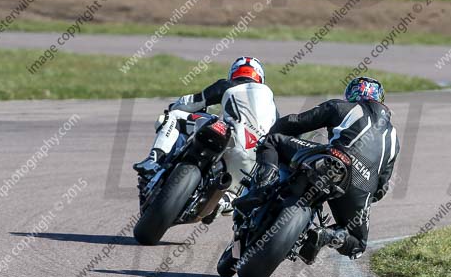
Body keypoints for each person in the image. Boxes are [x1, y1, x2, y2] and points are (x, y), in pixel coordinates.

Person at [237, 76, 399, 263]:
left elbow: (296, 121)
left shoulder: (341, 107)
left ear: (352, 94)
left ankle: (261, 187)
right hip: (361, 188)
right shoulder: (394, 139)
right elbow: (381, 188)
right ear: (380, 98)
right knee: (358, 244)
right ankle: (328, 236)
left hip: (333, 159)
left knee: (272, 141)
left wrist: (272, 133)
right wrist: (364, 196)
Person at [133, 56, 277, 215]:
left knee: (173, 116)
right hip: (256, 162)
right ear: (260, 78)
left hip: (232, 141)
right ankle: (224, 202)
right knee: (237, 192)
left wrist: (174, 106)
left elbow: (190, 103)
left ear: (234, 73)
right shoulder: (273, 107)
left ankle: (153, 162)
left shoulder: (228, 85)